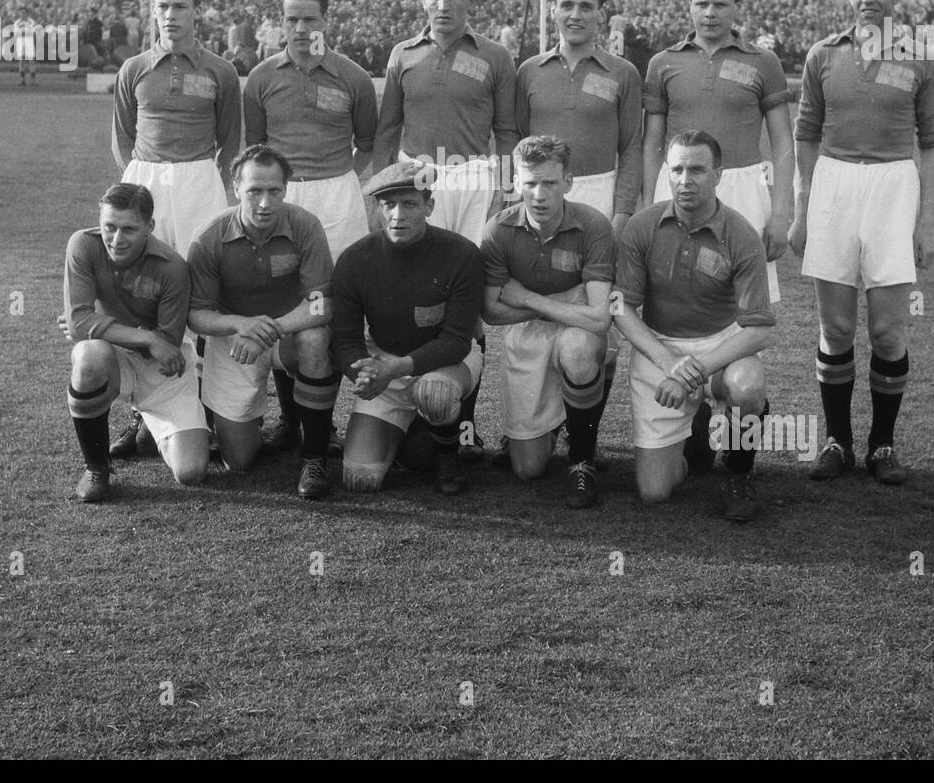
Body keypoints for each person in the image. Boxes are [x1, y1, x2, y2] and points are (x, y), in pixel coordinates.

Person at [790, 0, 934, 485]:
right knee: (835, 327)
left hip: (892, 186)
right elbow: (805, 135)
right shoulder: (822, 55)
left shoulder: (921, 55)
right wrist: (803, 208)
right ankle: (838, 441)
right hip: (834, 184)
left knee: (886, 329)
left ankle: (882, 445)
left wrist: (925, 220)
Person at [642, 0, 792, 473]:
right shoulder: (663, 62)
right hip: (679, 183)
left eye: (720, 4)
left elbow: (783, 141)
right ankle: (697, 422)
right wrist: (648, 201)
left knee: (742, 314)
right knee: (681, 294)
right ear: (688, 6)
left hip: (746, 186)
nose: (709, 13)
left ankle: (742, 442)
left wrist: (783, 209)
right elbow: (651, 141)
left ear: (737, 8)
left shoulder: (763, 61)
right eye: (701, 3)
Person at [372, 0, 518, 457]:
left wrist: (503, 191)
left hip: (475, 179)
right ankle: (420, 408)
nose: (443, 4)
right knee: (419, 290)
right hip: (418, 179)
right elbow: (387, 130)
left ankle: (462, 424)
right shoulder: (402, 54)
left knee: (470, 303)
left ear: (470, 0)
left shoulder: (496, 56)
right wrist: (382, 190)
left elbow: (507, 131)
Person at [243, 0, 377, 455]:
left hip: (338, 196)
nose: (301, 28)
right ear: (281, 23)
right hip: (281, 198)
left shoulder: (353, 77)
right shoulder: (261, 77)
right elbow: (256, 148)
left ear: (326, 20)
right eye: (291, 19)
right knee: (286, 300)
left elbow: (368, 142)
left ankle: (325, 420)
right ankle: (288, 418)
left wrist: (340, 179)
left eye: (310, 18)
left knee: (331, 306)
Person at [111, 0, 241, 457]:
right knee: (139, 292)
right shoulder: (135, 68)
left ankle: (203, 409)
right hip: (146, 179)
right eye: (162, 6)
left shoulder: (220, 71)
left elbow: (230, 138)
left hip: (199, 180)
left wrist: (206, 180)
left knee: (201, 289)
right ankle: (142, 414)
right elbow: (122, 136)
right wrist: (141, 183)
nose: (170, 15)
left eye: (180, 6)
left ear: (196, 11)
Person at [612, 131, 775, 519]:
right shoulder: (641, 226)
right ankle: (696, 436)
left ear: (718, 174)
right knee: (654, 493)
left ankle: (739, 471)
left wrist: (692, 372)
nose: (686, 180)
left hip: (720, 348)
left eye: (698, 170)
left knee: (748, 385)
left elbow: (759, 329)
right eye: (678, 169)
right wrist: (669, 363)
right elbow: (620, 308)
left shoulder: (741, 234)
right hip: (660, 349)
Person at [186, 146, 339, 498]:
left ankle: (314, 457)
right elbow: (197, 315)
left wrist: (269, 330)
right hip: (235, 340)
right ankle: (239, 420)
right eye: (255, 191)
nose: (265, 203)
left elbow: (322, 304)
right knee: (238, 461)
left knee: (317, 340)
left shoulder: (305, 225)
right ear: (235, 187)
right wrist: (242, 324)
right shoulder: (209, 236)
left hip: (289, 332)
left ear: (286, 189)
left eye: (274, 191)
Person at [330, 161, 486, 497]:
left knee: (435, 395)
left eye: (410, 204)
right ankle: (420, 432)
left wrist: (396, 368)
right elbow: (344, 338)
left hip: (445, 365)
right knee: (361, 477)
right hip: (384, 366)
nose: (398, 215)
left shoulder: (460, 254)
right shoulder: (354, 260)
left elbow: (458, 341)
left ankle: (450, 454)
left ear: (429, 206)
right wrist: (364, 372)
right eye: (389, 204)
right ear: (378, 208)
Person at [480, 137, 614, 508]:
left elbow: (600, 317)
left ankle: (582, 461)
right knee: (526, 469)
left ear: (568, 182)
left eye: (550, 183)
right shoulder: (497, 230)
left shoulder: (593, 225)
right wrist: (564, 303)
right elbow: (491, 312)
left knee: (580, 348)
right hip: (532, 332)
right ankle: (556, 421)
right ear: (516, 183)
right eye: (530, 182)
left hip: (578, 329)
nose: (539, 194)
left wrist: (526, 297)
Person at [62, 183, 209, 502]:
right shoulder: (83, 245)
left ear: (150, 227)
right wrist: (144, 335)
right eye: (109, 227)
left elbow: (167, 345)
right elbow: (78, 324)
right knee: (87, 354)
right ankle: (96, 468)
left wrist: (97, 326)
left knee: (191, 472)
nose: (116, 239)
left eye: (129, 229)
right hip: (113, 356)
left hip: (162, 369)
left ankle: (147, 424)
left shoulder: (172, 267)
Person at [516, 0, 642, 237]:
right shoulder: (529, 71)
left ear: (601, 14)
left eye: (586, 7)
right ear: (552, 11)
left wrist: (622, 214)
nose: (575, 15)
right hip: (540, 192)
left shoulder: (624, 72)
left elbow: (631, 149)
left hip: (599, 192)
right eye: (567, 6)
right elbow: (516, 141)